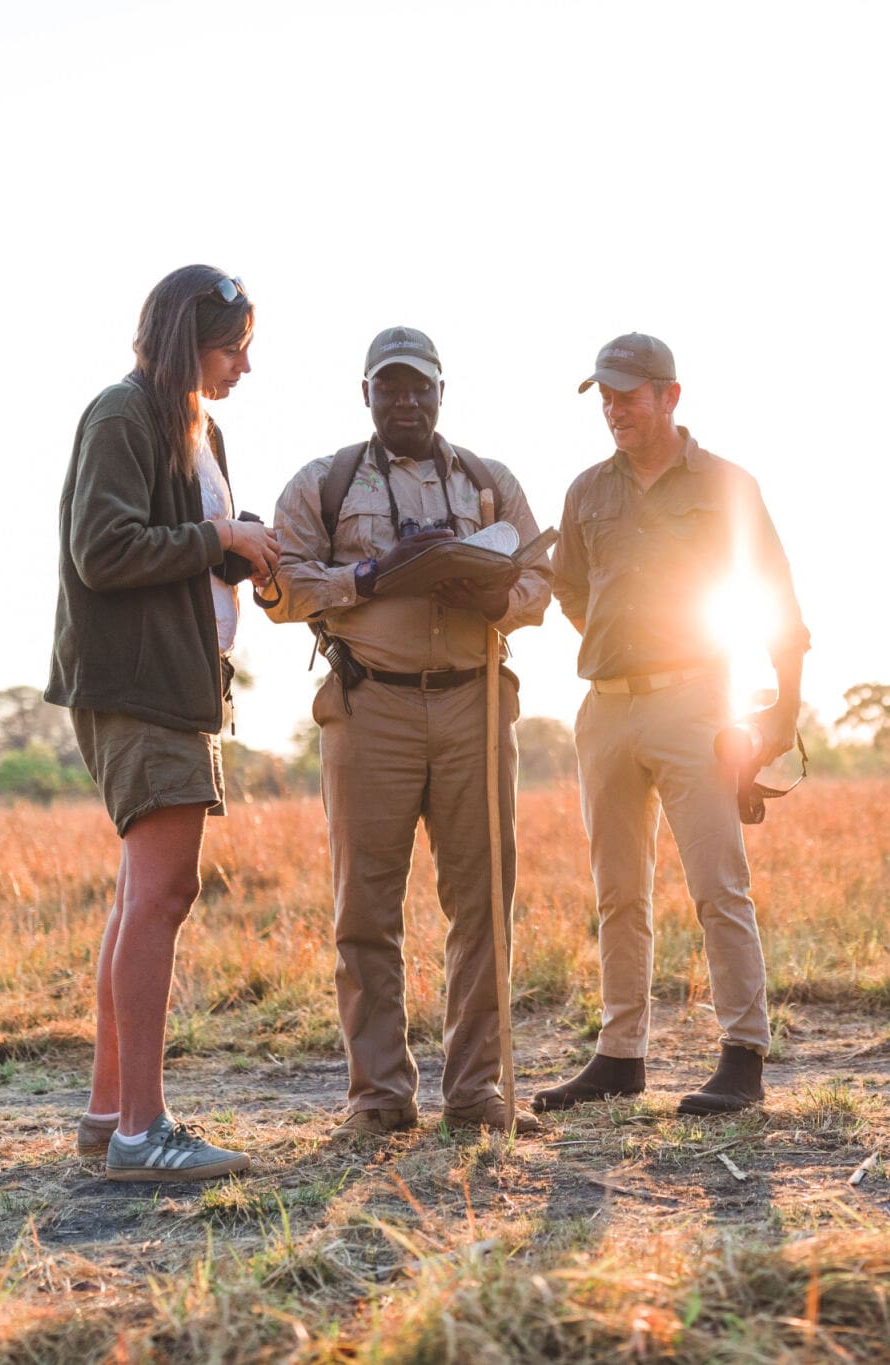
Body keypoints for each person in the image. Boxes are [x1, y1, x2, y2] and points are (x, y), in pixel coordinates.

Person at [262, 326, 550, 1140]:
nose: (405, 401)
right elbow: (280, 587)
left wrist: (495, 597)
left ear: (440, 392)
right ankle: (379, 1097)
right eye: (389, 388)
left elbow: (539, 577)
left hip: (474, 700)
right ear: (365, 395)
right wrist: (370, 574)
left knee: (483, 904)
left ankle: (476, 1092)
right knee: (365, 908)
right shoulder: (324, 482)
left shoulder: (490, 482)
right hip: (369, 705)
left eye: (419, 387)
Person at [535, 333, 809, 1118]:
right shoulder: (587, 490)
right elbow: (572, 592)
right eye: (605, 396)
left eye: (629, 394)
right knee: (618, 889)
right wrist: (622, 652)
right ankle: (620, 1056)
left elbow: (776, 601)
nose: (615, 409)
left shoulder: (726, 484)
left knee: (717, 881)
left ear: (670, 396)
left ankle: (742, 1054)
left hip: (696, 701)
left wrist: (779, 717)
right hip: (606, 706)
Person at [47, 265, 279, 1179]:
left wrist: (244, 547)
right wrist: (218, 542)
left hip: (180, 679)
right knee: (162, 896)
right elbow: (102, 551)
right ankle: (146, 1131)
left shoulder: (199, 426)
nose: (244, 366)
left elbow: (179, 548)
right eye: (234, 347)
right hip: (138, 684)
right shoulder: (123, 414)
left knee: (137, 896)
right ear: (189, 338)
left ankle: (111, 1116)